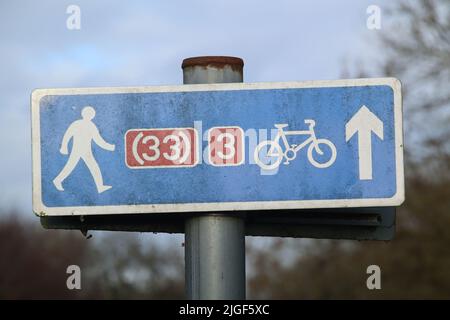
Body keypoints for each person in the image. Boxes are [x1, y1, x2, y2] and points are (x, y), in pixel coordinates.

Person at [53, 106, 115, 193]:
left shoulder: (91, 126)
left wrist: (109, 147)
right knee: (70, 167)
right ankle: (57, 180)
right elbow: (67, 135)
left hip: (86, 151)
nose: (89, 115)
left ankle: (100, 187)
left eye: (91, 114)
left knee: (93, 167)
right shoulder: (77, 124)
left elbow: (98, 140)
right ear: (84, 114)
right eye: (88, 114)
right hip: (77, 150)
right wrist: (64, 146)